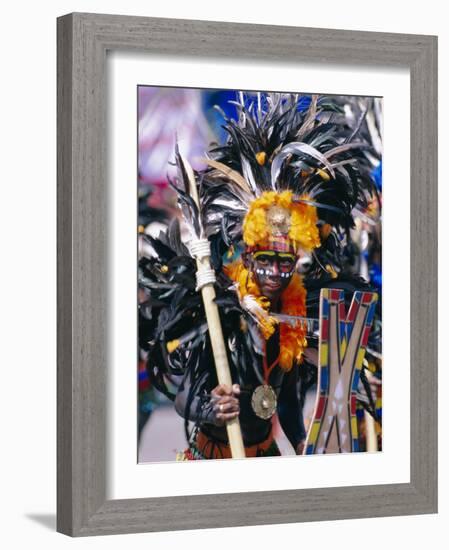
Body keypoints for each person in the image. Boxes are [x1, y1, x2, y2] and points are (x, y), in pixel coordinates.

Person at [138, 92, 381, 459]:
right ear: (248, 256)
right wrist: (211, 408)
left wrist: (299, 441)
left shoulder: (292, 316)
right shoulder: (220, 310)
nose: (274, 271)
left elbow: (284, 401)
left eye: (285, 261)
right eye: (265, 258)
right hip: (216, 458)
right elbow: (184, 395)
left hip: (266, 456)